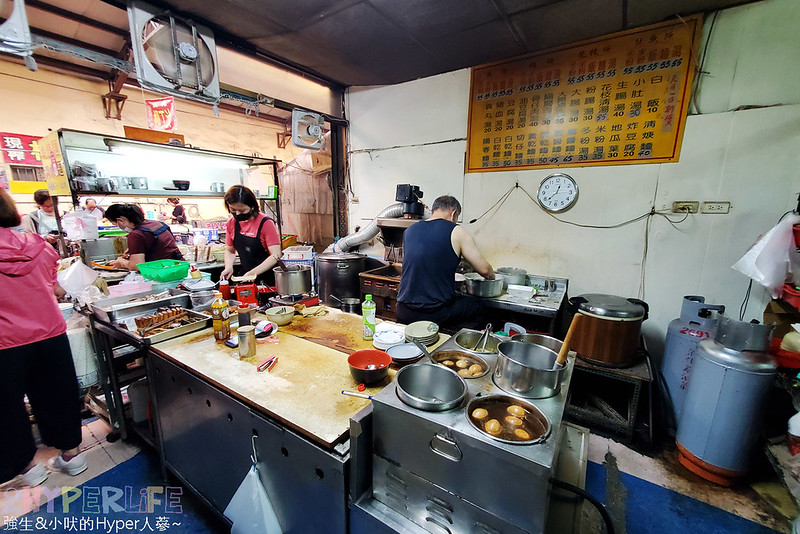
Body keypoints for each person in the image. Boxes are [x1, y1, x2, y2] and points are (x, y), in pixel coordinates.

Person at [0, 189, 87, 488]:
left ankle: (27, 468)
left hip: (5, 341)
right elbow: (52, 283)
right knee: (57, 394)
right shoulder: (35, 243)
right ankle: (72, 455)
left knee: (7, 407)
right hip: (50, 332)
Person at [397, 195, 495, 329]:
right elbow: (484, 270)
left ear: (433, 211)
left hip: (404, 310)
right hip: (435, 313)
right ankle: (455, 342)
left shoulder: (409, 231)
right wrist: (492, 277)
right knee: (480, 308)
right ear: (453, 213)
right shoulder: (457, 231)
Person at [220, 185, 281, 285]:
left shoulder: (265, 223)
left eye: (242, 210)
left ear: (252, 207)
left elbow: (276, 255)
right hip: (245, 277)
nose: (238, 214)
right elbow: (230, 250)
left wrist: (253, 273)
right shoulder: (231, 223)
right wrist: (228, 267)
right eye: (233, 210)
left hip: (267, 281)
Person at [105, 204, 183, 271]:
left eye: (115, 224)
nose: (118, 227)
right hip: (178, 267)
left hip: (162, 272)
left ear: (120, 220)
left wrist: (122, 263)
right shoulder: (158, 224)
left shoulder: (136, 234)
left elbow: (137, 266)